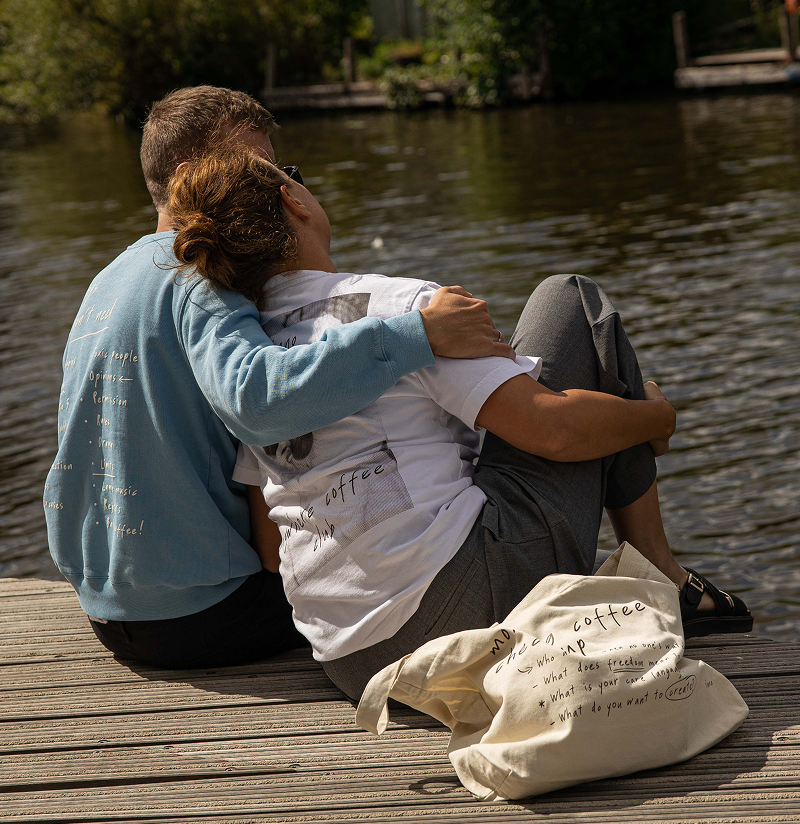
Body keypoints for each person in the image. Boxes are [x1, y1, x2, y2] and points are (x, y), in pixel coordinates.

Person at [169, 142, 753, 702]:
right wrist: (657, 415)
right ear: (293, 200)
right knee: (568, 301)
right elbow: (554, 431)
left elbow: (273, 551)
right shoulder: (405, 308)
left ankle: (659, 572)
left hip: (350, 662)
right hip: (465, 619)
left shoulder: (258, 366)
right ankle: (661, 574)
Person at [43, 86, 514, 670]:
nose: (280, 190)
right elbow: (258, 399)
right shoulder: (197, 275)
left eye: (282, 172)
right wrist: (417, 334)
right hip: (206, 616)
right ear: (192, 176)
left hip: (111, 614)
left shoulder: (108, 282)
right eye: (263, 172)